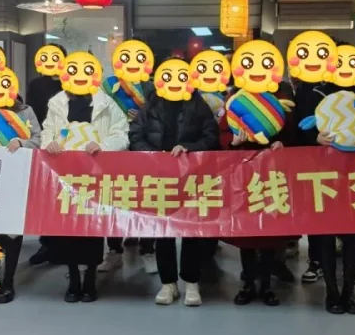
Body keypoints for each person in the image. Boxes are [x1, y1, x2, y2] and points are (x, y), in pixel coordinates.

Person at [129, 58, 219, 306]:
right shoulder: (150, 105)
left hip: (191, 176)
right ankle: (168, 284)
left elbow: (211, 138)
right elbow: (135, 135)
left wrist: (189, 148)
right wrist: (152, 155)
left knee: (191, 231)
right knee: (163, 231)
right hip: (159, 176)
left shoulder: (198, 105)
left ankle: (191, 282)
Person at [41, 56, 129, 303]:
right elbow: (47, 131)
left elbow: (122, 133)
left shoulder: (106, 104)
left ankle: (90, 278)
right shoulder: (57, 103)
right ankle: (73, 278)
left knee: (92, 227)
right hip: (64, 175)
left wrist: (103, 145)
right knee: (68, 227)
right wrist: (50, 144)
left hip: (95, 174)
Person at [296, 75, 355, 314]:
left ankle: (349, 292)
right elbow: (299, 130)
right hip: (323, 175)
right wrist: (314, 138)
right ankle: (331, 292)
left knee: (353, 237)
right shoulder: (316, 93)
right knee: (325, 235)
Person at [223, 81, 296, 307]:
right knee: (246, 232)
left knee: (269, 232)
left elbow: (293, 134)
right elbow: (221, 134)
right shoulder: (236, 99)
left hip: (272, 174)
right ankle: (247, 284)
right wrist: (233, 142)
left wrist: (283, 143)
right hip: (242, 176)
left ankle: (266, 285)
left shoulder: (278, 97)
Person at [0, 94, 42, 304]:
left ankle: (8, 283)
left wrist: (21, 142)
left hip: (16, 179)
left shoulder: (25, 111)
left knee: (12, 231)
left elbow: (39, 140)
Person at [26, 44, 67, 267]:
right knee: (46, 195)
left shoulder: (71, 82)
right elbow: (32, 115)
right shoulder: (36, 84)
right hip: (45, 145)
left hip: (70, 144)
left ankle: (65, 245)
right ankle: (47, 244)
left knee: (66, 196)